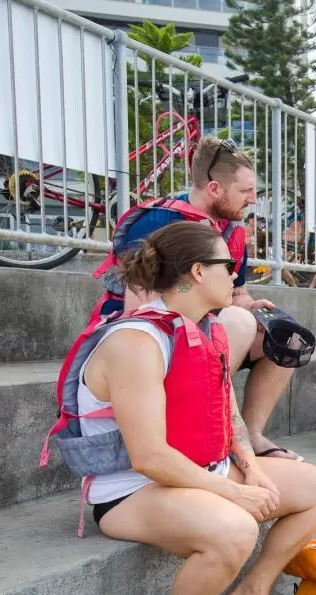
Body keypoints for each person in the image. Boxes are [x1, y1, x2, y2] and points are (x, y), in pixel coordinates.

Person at [52, 222, 316, 595]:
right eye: (228, 265)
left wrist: (250, 465)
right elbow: (148, 457)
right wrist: (235, 492)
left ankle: (251, 594)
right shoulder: (136, 341)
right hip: (130, 490)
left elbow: (224, 412)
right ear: (196, 272)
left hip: (200, 471)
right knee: (235, 528)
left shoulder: (206, 330)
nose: (237, 274)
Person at [92, 136, 302, 461]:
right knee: (234, 323)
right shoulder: (157, 221)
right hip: (142, 336)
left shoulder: (234, 231)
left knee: (286, 337)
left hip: (205, 331)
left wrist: (249, 305)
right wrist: (226, 316)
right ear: (215, 188)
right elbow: (138, 309)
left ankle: (252, 434)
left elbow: (237, 294)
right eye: (246, 191)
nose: (253, 199)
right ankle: (203, 433)